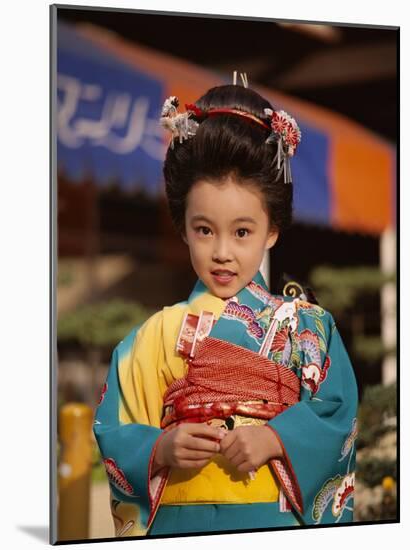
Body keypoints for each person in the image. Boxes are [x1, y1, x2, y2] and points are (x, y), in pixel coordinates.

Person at [93, 75, 359, 538]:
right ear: (182, 228)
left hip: (272, 521)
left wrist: (277, 439)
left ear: (271, 230)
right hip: (179, 524)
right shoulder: (153, 335)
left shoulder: (308, 328)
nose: (221, 252)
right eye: (204, 230)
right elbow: (112, 426)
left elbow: (337, 411)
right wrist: (161, 448)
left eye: (241, 232)